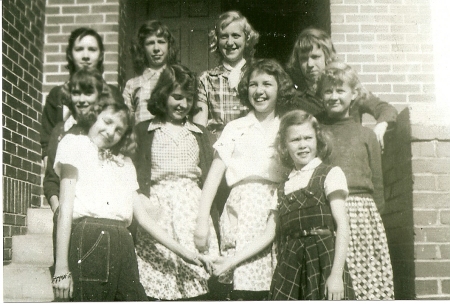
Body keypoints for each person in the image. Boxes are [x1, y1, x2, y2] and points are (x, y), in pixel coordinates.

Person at [194, 59, 293, 301]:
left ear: (279, 88)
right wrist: (202, 222)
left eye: (267, 84)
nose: (260, 91)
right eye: (253, 85)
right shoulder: (235, 127)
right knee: (244, 284)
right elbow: (214, 176)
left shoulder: (287, 126)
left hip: (277, 210)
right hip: (242, 211)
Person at [133, 64, 219, 300]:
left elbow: (210, 176)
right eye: (177, 97)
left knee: (194, 279)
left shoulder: (199, 133)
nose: (183, 104)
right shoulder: (144, 130)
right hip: (157, 211)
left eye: (189, 99)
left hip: (191, 210)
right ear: (163, 95)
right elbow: (132, 173)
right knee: (159, 274)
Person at [51, 100, 148, 301]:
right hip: (91, 239)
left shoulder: (124, 162)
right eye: (107, 121)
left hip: (124, 244)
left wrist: (186, 253)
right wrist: (61, 268)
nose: (111, 131)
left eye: (119, 130)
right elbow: (65, 208)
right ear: (93, 116)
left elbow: (144, 218)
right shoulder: (75, 144)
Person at [317, 61, 395, 300]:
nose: (333, 96)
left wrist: (373, 217)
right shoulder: (317, 131)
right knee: (333, 281)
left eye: (340, 90)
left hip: (363, 214)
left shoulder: (367, 135)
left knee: (365, 282)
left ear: (354, 95)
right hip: (329, 211)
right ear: (321, 95)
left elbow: (377, 183)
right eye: (328, 91)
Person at [269, 110, 355, 300]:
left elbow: (342, 224)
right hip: (291, 265)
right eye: (295, 140)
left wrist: (336, 275)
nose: (302, 145)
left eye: (308, 138)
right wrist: (230, 262)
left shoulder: (330, 174)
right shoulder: (282, 188)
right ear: (284, 145)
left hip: (323, 259)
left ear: (318, 140)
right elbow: (268, 234)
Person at [43, 68, 116, 263]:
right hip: (68, 224)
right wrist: (59, 210)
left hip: (101, 223)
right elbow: (50, 180)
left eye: (88, 93)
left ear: (99, 96)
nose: (81, 99)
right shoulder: (60, 132)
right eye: (76, 93)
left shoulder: (109, 133)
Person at [286, 27, 398, 150]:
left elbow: (385, 109)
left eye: (315, 57)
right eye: (303, 59)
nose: (310, 65)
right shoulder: (298, 100)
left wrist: (381, 125)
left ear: (327, 57)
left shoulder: (347, 90)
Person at [40, 27, 120, 166]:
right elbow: (48, 142)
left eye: (92, 49)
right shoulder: (57, 95)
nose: (86, 56)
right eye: (79, 49)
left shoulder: (112, 93)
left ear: (101, 55)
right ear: (70, 54)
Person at [193, 10, 260, 140]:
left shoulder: (257, 75)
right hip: (217, 148)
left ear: (247, 39)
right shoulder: (206, 79)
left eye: (236, 36)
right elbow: (199, 128)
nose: (230, 42)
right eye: (224, 36)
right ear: (217, 41)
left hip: (251, 147)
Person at [123, 20, 178, 126]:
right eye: (150, 43)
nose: (156, 48)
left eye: (161, 42)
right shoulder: (132, 85)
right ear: (142, 48)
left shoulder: (178, 79)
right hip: (143, 140)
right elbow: (126, 122)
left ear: (169, 46)